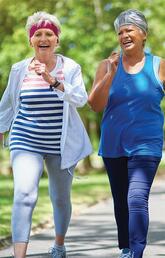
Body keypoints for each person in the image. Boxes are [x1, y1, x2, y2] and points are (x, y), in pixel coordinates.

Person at [0, 11, 92, 258]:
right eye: (37, 34)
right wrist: (0, 131)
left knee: (60, 199)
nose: (43, 38)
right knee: (24, 194)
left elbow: (81, 99)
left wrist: (52, 80)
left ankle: (59, 245)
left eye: (49, 34)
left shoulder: (70, 67)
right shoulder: (19, 69)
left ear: (57, 40)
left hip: (60, 143)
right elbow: (7, 104)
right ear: (30, 41)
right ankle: (19, 255)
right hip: (25, 138)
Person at [88, 9, 165, 258]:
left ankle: (136, 253)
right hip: (113, 144)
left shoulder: (159, 66)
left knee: (136, 198)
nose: (124, 35)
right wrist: (110, 74)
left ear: (143, 34)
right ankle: (127, 248)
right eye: (120, 32)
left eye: (129, 29)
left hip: (147, 143)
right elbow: (95, 105)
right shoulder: (106, 65)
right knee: (121, 201)